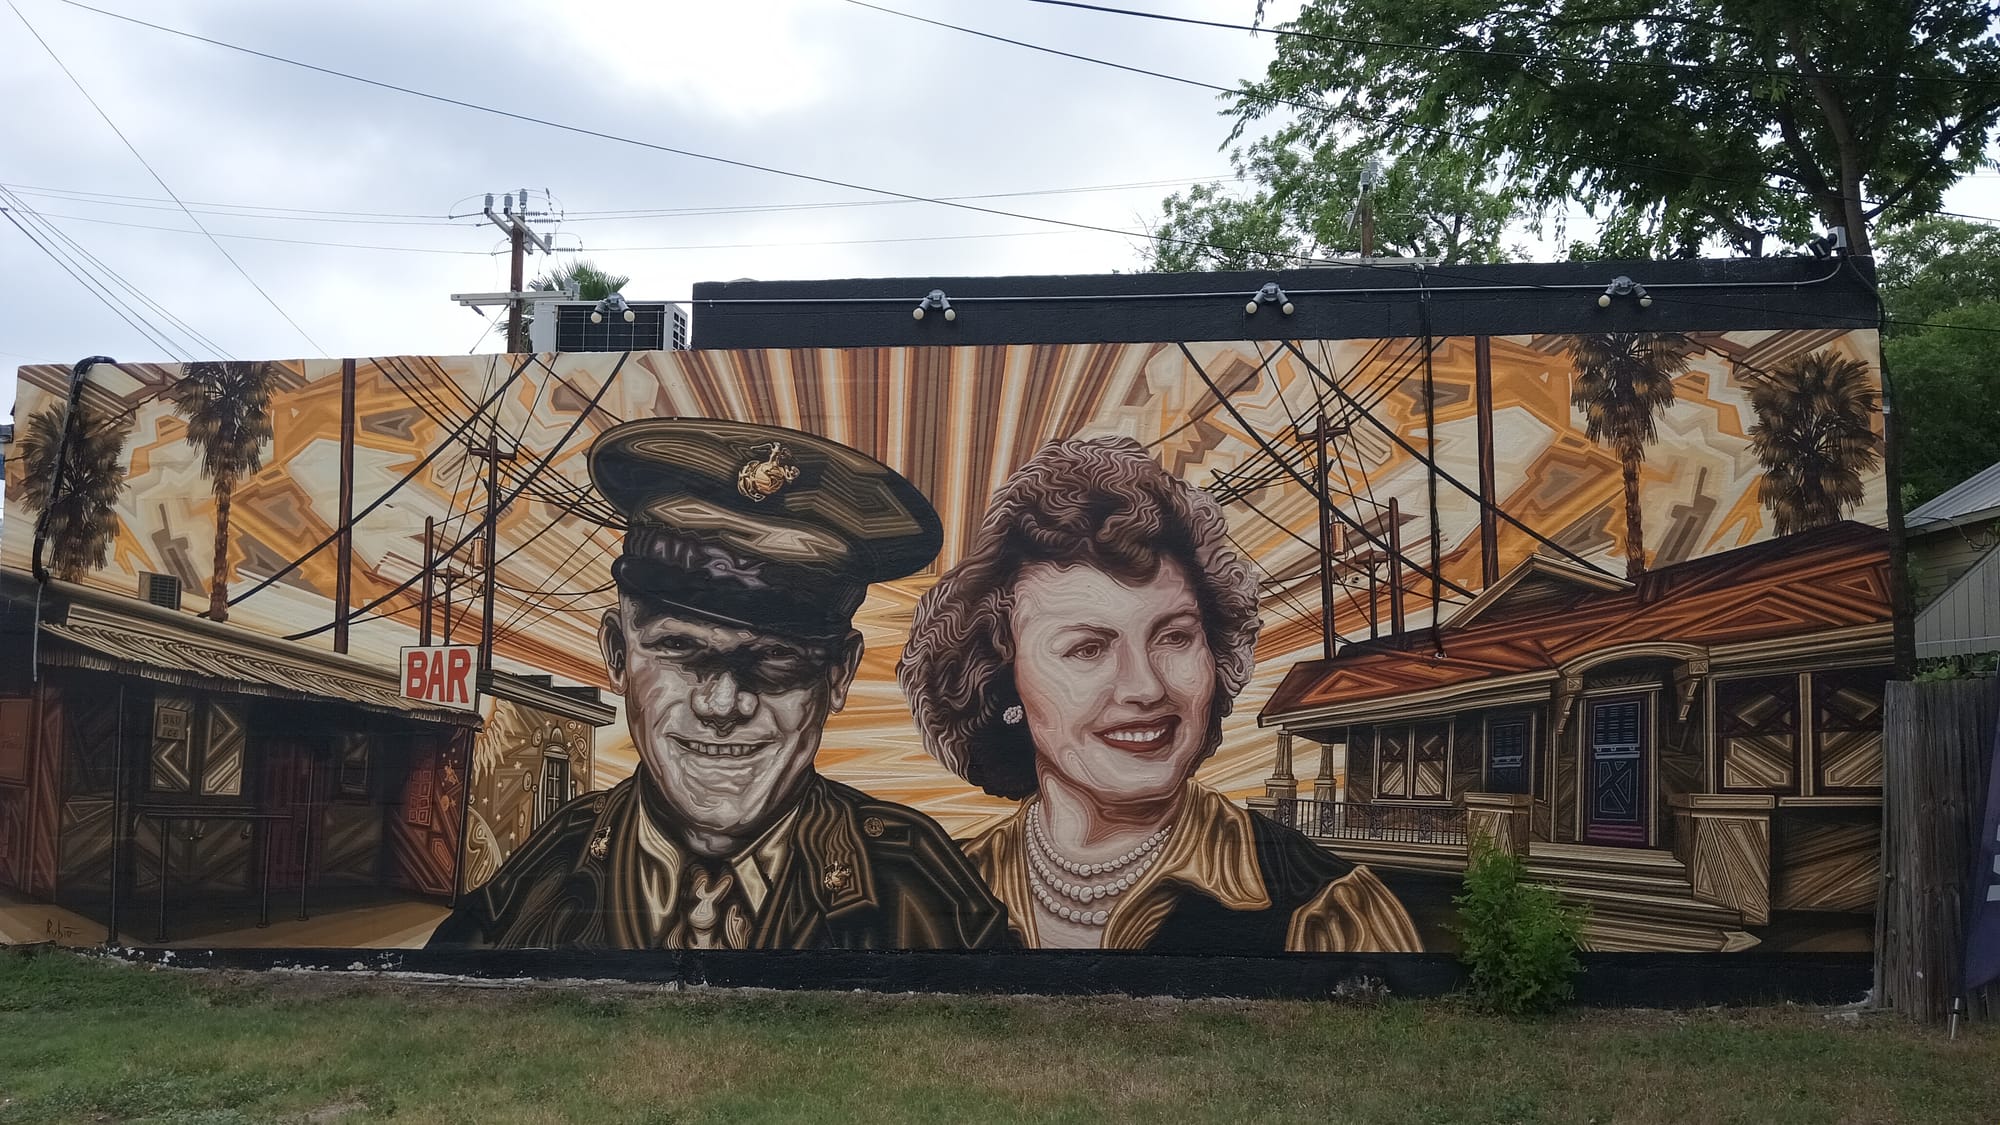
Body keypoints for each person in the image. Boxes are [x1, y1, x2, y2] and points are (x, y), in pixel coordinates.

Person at [430, 419, 1007, 951]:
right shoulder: (547, 870)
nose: (722, 704)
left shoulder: (916, 883)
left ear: (838, 675)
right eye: (680, 647)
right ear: (616, 653)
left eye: (778, 656)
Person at [898, 437, 1420, 953]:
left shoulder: (1329, 912)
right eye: (1087, 649)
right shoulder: (933, 893)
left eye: (1174, 637)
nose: (1146, 687)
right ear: (1002, 678)